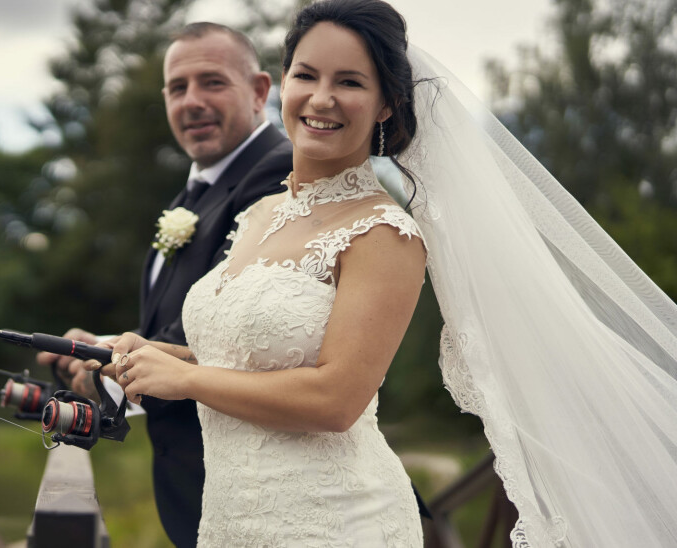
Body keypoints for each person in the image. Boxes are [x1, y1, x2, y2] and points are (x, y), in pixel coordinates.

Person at [96, 0, 677, 546]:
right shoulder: (259, 213)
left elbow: (336, 398)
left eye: (349, 82)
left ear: (386, 105)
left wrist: (188, 382)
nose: (321, 99)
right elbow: (246, 361)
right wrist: (160, 355)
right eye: (307, 75)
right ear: (283, 83)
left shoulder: (383, 232)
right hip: (228, 518)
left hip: (333, 523)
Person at [38, 23, 294, 547]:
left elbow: (235, 319)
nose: (192, 101)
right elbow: (180, 327)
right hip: (200, 495)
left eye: (212, 82)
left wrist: (109, 375)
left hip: (269, 493)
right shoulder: (190, 194)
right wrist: (104, 349)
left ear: (260, 91)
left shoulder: (281, 172)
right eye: (178, 88)